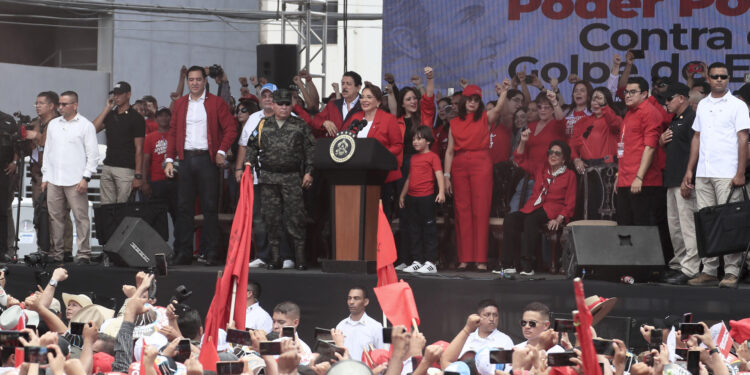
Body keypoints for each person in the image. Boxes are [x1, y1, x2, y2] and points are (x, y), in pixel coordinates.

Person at [682, 62, 750, 288]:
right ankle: (709, 270)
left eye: (724, 76)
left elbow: (744, 139)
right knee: (706, 222)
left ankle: (731, 272)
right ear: (708, 79)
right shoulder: (701, 105)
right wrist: (690, 170)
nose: (720, 79)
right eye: (715, 76)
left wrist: (740, 172)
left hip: (727, 172)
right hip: (704, 172)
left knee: (730, 223)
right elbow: (697, 138)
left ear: (729, 79)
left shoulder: (737, 106)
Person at [164, 66, 238, 266]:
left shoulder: (216, 102)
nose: (195, 83)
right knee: (184, 208)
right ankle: (183, 252)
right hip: (186, 159)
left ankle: (213, 252)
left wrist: (221, 151)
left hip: (207, 159)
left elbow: (231, 128)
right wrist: (169, 159)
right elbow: (172, 133)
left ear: (205, 81)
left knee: (210, 207)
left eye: (198, 79)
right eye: (191, 79)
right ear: (187, 81)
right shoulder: (179, 104)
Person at [244, 89, 315, 270]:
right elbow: (251, 147)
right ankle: (275, 259)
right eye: (280, 104)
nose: (284, 107)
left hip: (292, 177)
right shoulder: (262, 125)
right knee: (271, 218)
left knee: (295, 218)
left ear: (291, 105)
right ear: (273, 105)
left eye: (287, 104)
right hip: (268, 178)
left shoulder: (300, 125)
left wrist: (309, 172)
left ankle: (299, 259)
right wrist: (248, 166)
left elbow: (311, 150)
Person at [443, 79, 505, 272]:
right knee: (462, 211)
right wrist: (446, 176)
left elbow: (499, 109)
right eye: (469, 99)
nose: (472, 103)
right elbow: (450, 151)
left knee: (480, 210)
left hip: (481, 164)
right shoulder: (454, 122)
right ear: (463, 101)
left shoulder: (485, 117)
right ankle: (464, 258)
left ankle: (480, 260)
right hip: (460, 165)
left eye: (476, 100)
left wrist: (503, 92)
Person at [500, 138, 576, 275]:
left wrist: (559, 220)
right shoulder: (541, 168)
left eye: (557, 153)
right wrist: (522, 141)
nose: (553, 155)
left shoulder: (569, 175)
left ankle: (527, 265)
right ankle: (508, 264)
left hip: (552, 210)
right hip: (532, 207)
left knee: (531, 220)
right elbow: (519, 159)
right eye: (551, 152)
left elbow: (570, 203)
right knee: (511, 219)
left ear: (564, 159)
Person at [41, 91, 99, 264]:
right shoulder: (53, 124)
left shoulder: (85, 125)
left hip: (76, 180)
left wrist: (86, 177)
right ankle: (57, 253)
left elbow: (93, 155)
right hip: (54, 178)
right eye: (60, 104)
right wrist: (45, 176)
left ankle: (83, 253)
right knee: (55, 217)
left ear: (75, 105)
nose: (61, 107)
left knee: (80, 217)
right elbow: (48, 151)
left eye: (64, 104)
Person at [659, 83, 699, 285]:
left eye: (669, 98)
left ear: (682, 98)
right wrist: (661, 142)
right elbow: (675, 149)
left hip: (685, 179)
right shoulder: (675, 120)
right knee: (674, 226)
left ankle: (690, 268)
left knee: (687, 226)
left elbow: (696, 150)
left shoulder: (693, 119)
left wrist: (688, 176)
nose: (666, 102)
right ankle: (679, 264)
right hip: (672, 179)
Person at [27, 92, 75, 261]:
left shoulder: (59, 123)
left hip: (57, 175)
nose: (37, 106)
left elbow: (55, 146)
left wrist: (37, 136)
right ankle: (43, 248)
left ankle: (65, 249)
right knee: (40, 212)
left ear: (52, 106)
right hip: (38, 174)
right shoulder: (35, 123)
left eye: (41, 103)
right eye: (36, 103)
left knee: (60, 212)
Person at [615, 77, 664, 228]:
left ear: (644, 94)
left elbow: (650, 148)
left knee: (642, 230)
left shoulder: (649, 112)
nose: (628, 95)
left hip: (643, 182)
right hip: (625, 179)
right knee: (625, 227)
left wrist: (639, 177)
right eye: (626, 92)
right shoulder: (629, 113)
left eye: (633, 92)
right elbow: (623, 147)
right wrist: (619, 174)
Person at [570, 87, 622, 220]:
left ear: (607, 102)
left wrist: (604, 107)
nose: (595, 102)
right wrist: (576, 159)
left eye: (599, 98)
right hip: (588, 171)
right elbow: (572, 144)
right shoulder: (582, 122)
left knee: (608, 210)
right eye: (593, 99)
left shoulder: (614, 119)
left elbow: (615, 124)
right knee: (590, 208)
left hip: (608, 170)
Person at [398, 126, 445, 273]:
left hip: (427, 197)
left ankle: (431, 262)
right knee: (414, 230)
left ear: (428, 141)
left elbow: (439, 174)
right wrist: (402, 195)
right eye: (413, 139)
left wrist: (441, 191)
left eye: (419, 139)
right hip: (412, 198)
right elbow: (410, 178)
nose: (415, 142)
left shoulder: (433, 157)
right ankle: (418, 260)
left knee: (429, 230)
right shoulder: (413, 158)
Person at [92, 81, 146, 204]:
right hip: (108, 166)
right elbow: (92, 129)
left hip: (126, 169)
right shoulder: (110, 114)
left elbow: (139, 148)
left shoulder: (136, 118)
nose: (116, 97)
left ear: (128, 95)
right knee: (106, 208)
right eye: (114, 94)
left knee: (123, 207)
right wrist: (107, 108)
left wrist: (138, 175)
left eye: (119, 94)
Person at [293, 71, 363, 137]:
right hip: (333, 147)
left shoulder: (365, 106)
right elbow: (315, 120)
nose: (344, 87)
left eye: (348, 84)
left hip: (358, 146)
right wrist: (323, 122)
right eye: (343, 83)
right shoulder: (332, 105)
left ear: (358, 87)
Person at [141, 107, 177, 233]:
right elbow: (146, 161)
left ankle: (180, 250)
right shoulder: (150, 137)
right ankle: (158, 250)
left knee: (177, 217)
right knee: (157, 219)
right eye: (160, 116)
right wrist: (145, 182)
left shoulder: (176, 135)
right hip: (156, 182)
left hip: (175, 181)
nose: (164, 118)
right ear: (156, 119)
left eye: (167, 115)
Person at [335, 287, 384, 362]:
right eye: (349, 298)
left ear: (366, 302)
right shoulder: (341, 325)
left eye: (356, 298)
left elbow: (383, 356)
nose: (351, 302)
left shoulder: (375, 327)